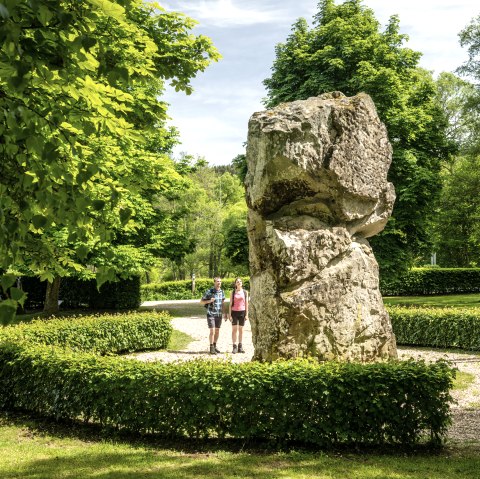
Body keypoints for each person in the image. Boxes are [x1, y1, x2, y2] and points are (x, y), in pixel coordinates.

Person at [200, 277, 226, 354]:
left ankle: (214, 346)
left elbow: (223, 303)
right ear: (214, 282)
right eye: (217, 281)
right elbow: (201, 302)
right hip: (211, 313)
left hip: (219, 314)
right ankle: (211, 348)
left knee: (217, 331)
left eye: (220, 282)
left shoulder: (222, 292)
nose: (219, 283)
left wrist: (225, 313)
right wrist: (209, 301)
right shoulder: (209, 291)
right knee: (212, 331)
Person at [228, 277, 249, 353]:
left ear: (242, 283)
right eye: (237, 282)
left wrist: (247, 314)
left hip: (242, 312)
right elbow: (230, 304)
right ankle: (234, 346)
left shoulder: (245, 292)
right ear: (235, 284)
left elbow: (246, 303)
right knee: (234, 330)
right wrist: (229, 315)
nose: (239, 283)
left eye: (240, 281)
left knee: (241, 330)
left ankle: (240, 346)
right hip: (234, 312)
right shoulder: (232, 292)